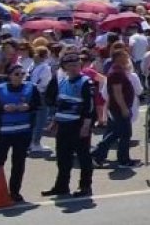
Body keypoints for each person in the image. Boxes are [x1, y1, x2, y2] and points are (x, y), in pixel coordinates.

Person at [0, 64, 40, 207]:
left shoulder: (31, 88)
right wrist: (3, 108)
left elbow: (37, 104)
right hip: (4, 133)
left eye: (22, 74)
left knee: (19, 163)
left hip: (23, 132)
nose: (20, 77)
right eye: (16, 74)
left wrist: (28, 107)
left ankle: (15, 192)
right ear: (9, 76)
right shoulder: (0, 89)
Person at [41, 53, 95, 197]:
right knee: (62, 157)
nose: (73, 68)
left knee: (83, 157)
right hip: (63, 124)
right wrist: (54, 122)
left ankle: (85, 186)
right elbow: (60, 104)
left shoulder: (85, 82)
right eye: (70, 66)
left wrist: (86, 126)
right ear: (64, 67)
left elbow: (89, 106)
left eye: (76, 65)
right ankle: (61, 186)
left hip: (78, 124)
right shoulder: (63, 81)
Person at [91, 50, 137, 168]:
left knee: (119, 132)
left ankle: (118, 158)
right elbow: (117, 92)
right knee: (123, 133)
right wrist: (124, 108)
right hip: (119, 108)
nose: (127, 58)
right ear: (118, 57)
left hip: (117, 107)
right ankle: (101, 154)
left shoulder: (119, 70)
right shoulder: (116, 72)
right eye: (125, 55)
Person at [27, 46, 54, 153]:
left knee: (32, 119)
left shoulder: (32, 65)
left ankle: (30, 142)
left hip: (29, 92)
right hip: (41, 94)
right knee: (40, 120)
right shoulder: (45, 67)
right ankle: (36, 143)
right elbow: (45, 82)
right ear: (46, 56)